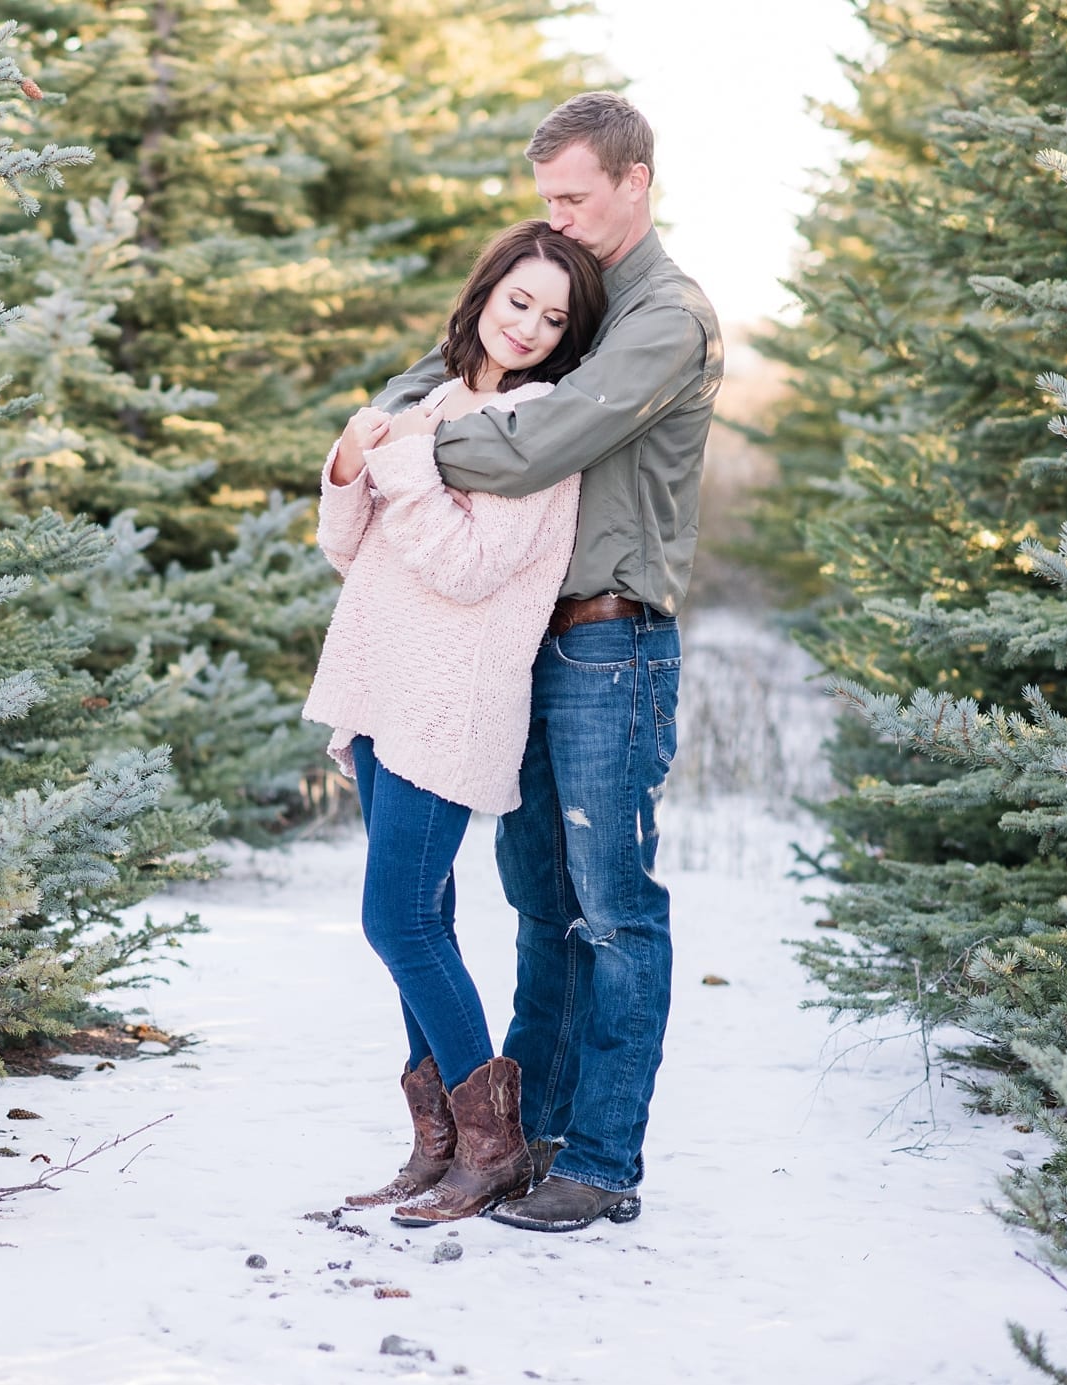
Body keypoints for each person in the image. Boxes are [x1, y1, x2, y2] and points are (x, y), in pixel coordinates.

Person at [372, 92, 724, 1233]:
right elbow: (455, 359)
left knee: (615, 908)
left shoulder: (664, 318)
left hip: (612, 644)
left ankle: (605, 1163)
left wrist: (411, 442)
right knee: (539, 903)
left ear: (637, 181)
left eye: (575, 195)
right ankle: (533, 1138)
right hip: (523, 637)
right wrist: (385, 414)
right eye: (546, 201)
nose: (557, 218)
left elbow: (538, 442)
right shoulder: (569, 298)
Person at [302, 219, 607, 1226]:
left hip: (451, 695)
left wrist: (405, 468)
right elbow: (354, 548)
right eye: (518, 300)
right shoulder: (437, 402)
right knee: (421, 919)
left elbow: (473, 567)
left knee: (394, 918)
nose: (529, 325)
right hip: (386, 681)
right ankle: (436, 1143)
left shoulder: (539, 426)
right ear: (484, 295)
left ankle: (495, 1146)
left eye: (553, 316)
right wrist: (353, 462)